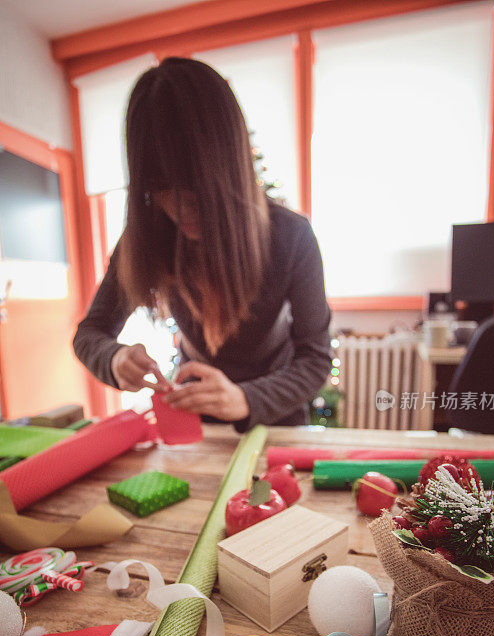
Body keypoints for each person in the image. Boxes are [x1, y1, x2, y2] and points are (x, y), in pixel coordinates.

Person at [73, 57, 332, 432]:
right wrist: (114, 358)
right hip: (194, 423)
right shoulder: (146, 237)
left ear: (233, 169)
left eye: (198, 187)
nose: (180, 206)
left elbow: (315, 358)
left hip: (277, 422)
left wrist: (246, 399)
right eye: (162, 186)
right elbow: (90, 332)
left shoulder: (290, 235)